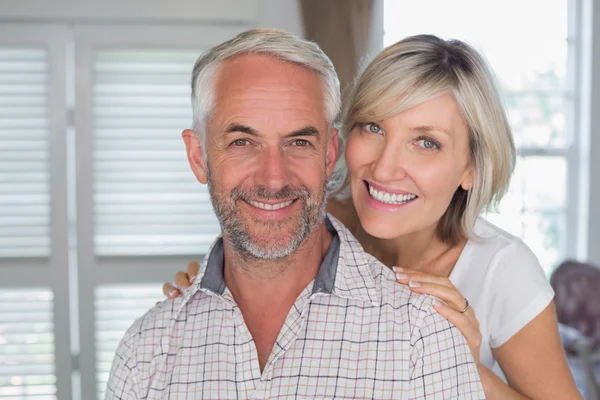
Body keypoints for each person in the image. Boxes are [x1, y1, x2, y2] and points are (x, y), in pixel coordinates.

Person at [164, 34, 582, 399]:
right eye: (373, 128)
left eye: (426, 142)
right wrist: (212, 288)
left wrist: (467, 372)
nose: (384, 169)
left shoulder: (502, 272)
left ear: (471, 167)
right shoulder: (309, 221)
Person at [105, 29, 484, 399]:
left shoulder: (425, 337)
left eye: (299, 142)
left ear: (330, 154)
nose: (274, 178)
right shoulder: (146, 352)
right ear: (198, 156)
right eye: (242, 142)